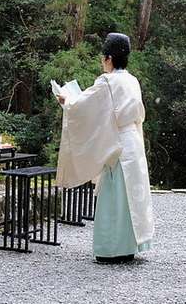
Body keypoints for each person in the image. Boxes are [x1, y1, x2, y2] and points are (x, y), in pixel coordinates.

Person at [55, 32, 154, 263]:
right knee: (130, 198)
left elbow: (84, 106)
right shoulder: (132, 80)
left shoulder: (107, 82)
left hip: (116, 145)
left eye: (104, 57)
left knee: (113, 199)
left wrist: (66, 100)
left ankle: (111, 249)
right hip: (132, 141)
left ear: (109, 58)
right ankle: (129, 247)